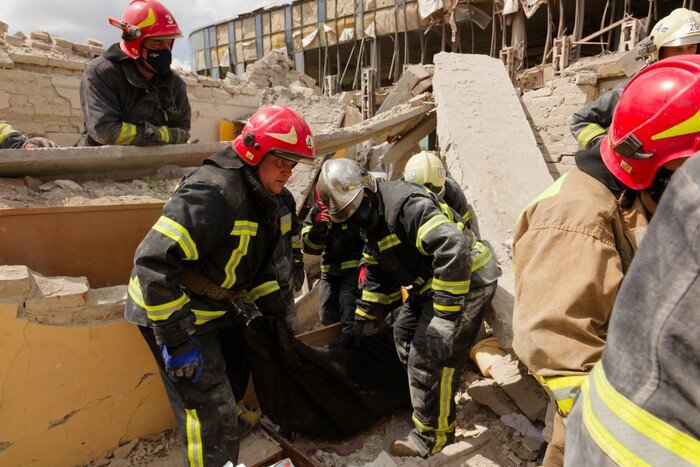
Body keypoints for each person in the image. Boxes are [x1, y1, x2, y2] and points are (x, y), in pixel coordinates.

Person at [512, 55, 700, 466]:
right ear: (657, 166)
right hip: (610, 431)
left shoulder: (635, 193)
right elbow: (556, 349)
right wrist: (598, 434)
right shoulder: (575, 220)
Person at [124, 105, 315, 466]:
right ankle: (214, 452)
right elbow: (152, 261)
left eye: (293, 164)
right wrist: (177, 340)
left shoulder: (273, 201)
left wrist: (277, 322)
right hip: (170, 305)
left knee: (237, 370)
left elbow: (264, 268)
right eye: (281, 161)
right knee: (209, 410)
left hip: (217, 303)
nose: (288, 172)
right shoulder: (213, 192)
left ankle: (229, 426)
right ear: (254, 151)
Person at [316, 158, 500, 458]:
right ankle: (424, 399)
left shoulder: (404, 205)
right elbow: (376, 272)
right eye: (347, 215)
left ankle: (433, 436)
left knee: (431, 354)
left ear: (367, 186)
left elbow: (453, 248)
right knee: (402, 336)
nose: (354, 219)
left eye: (355, 209)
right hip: (430, 284)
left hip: (467, 278)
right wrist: (359, 322)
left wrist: (444, 317)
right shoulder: (370, 221)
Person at [564, 153, 700, 466]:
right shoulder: (577, 220)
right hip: (624, 436)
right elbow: (559, 342)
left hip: (611, 419)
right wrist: (570, 410)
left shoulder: (646, 195)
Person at [569, 8, 700, 149]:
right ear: (659, 52)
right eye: (677, 49)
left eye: (692, 47)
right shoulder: (635, 90)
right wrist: (610, 148)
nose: (687, 55)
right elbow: (580, 121)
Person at [78, 0, 191, 147]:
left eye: (168, 43)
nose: (166, 50)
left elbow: (183, 131)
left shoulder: (173, 82)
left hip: (156, 160)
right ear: (135, 44)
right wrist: (157, 134)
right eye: (157, 43)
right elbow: (105, 131)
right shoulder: (102, 73)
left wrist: (153, 135)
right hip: (101, 159)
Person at [300, 188, 364, 332]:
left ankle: (351, 341)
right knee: (326, 315)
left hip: (353, 270)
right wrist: (318, 230)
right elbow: (308, 247)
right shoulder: (316, 213)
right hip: (329, 272)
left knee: (348, 312)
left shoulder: (350, 207)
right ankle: (336, 342)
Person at [403, 150, 480, 238]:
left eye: (435, 189)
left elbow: (465, 226)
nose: (430, 198)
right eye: (422, 191)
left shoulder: (452, 190)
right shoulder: (401, 197)